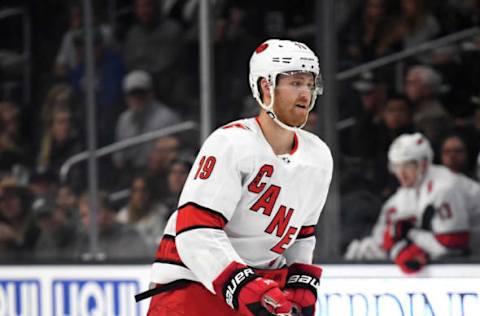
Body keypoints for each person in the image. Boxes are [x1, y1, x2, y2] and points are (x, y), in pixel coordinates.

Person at [137, 39, 333, 316]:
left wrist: (299, 282)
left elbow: (302, 234)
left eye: (310, 84)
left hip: (257, 288)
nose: (306, 93)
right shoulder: (231, 144)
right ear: (266, 86)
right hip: (195, 286)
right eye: (295, 83)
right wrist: (241, 285)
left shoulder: (319, 156)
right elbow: (194, 232)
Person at [345, 133, 478, 273]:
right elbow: (383, 241)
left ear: (424, 163)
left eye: (408, 165)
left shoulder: (444, 188)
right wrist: (365, 251)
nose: (401, 173)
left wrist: (410, 235)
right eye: (396, 166)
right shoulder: (400, 198)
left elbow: (452, 247)